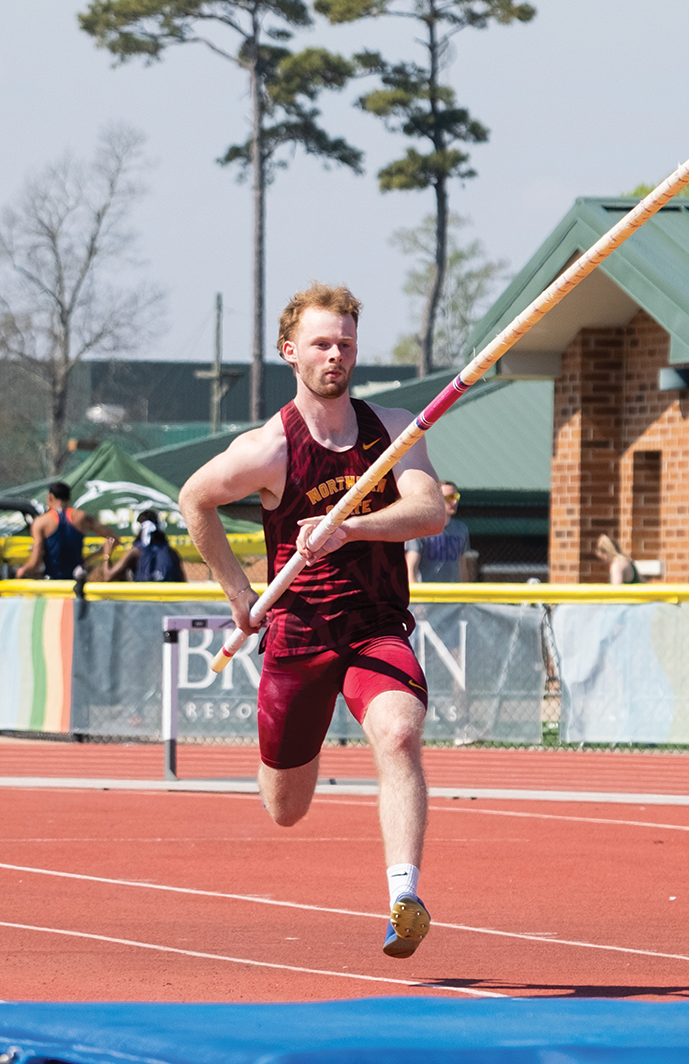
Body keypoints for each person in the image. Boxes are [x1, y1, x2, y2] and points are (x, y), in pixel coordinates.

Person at [178, 282, 449, 959]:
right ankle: (295, 757)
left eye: (346, 344)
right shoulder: (270, 448)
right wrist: (237, 590)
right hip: (298, 635)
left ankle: (405, 897)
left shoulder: (393, 431)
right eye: (322, 344)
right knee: (286, 808)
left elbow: (429, 511)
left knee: (400, 733)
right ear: (290, 352)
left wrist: (350, 527)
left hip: (375, 627)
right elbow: (194, 499)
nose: (336, 356)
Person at [18, 481, 119, 580]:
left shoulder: (41, 522)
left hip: (52, 582)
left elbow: (35, 562)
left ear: (50, 497)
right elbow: (114, 540)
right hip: (77, 579)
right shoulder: (82, 517)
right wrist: (90, 558)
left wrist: (22, 571)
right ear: (69, 498)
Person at [404, 481, 470, 584]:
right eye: (449, 497)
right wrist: (416, 593)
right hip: (428, 592)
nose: (454, 502)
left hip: (454, 592)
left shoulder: (461, 529)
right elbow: (410, 568)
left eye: (455, 497)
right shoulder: (419, 530)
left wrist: (465, 591)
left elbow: (462, 564)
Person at [102, 509, 187, 582]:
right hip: (168, 596)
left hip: (144, 596)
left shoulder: (135, 552)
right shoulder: (171, 552)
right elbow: (182, 581)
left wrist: (106, 555)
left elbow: (108, 576)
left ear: (137, 528)